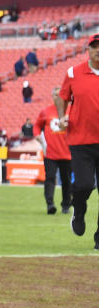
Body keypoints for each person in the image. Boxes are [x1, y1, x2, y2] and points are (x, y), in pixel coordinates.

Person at [55, 33, 99, 249]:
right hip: (81, 140)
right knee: (84, 184)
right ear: (88, 49)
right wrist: (62, 116)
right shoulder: (73, 73)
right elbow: (61, 96)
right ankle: (79, 209)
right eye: (94, 46)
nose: (98, 50)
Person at [35, 88, 71, 215]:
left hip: (67, 153)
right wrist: (37, 135)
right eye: (56, 95)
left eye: (60, 94)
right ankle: (50, 204)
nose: (58, 97)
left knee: (66, 181)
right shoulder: (46, 111)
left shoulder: (71, 111)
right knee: (49, 178)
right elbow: (37, 125)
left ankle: (66, 205)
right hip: (50, 153)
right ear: (52, 96)